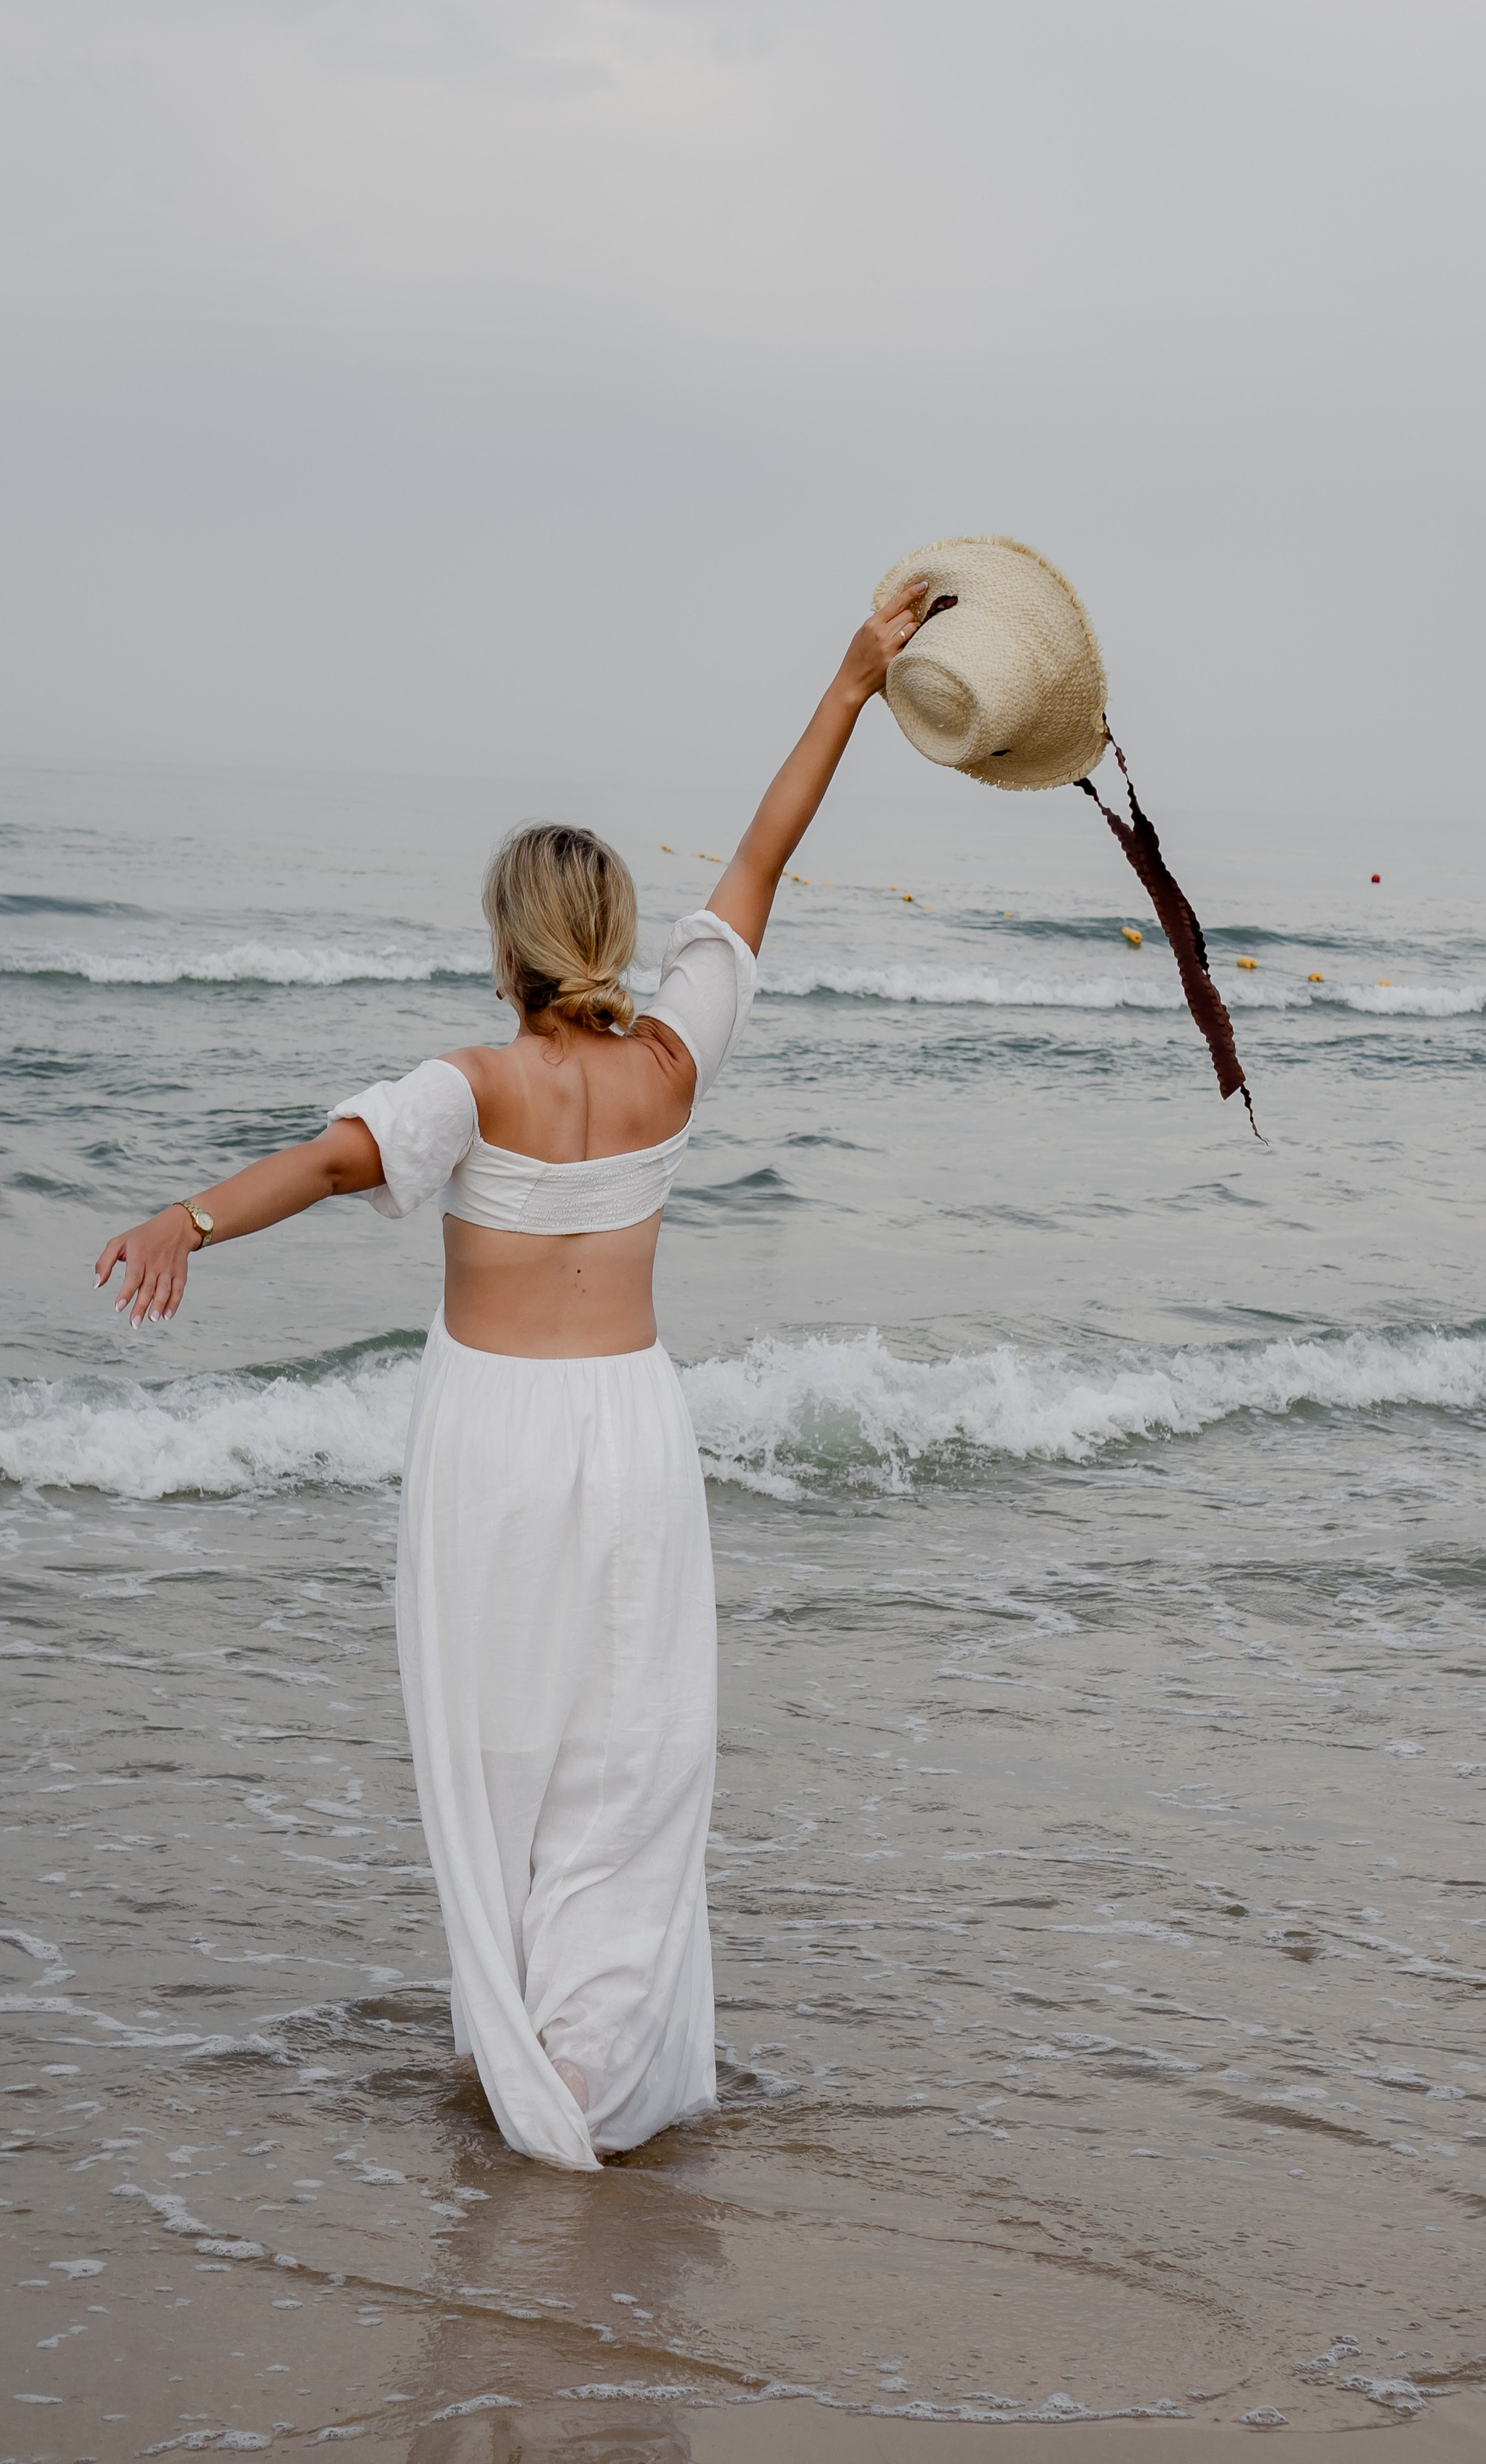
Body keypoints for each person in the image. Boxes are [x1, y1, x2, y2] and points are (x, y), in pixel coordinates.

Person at [94, 578, 930, 2169]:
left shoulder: (464, 1087)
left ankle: (526, 2055)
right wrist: (847, 686)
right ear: (614, 936)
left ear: (505, 945)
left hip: (489, 1437)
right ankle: (594, 2060)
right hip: (629, 1433)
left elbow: (324, 1167)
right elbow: (759, 866)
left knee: (499, 1750)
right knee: (625, 1753)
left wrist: (184, 1222)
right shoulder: (673, 1064)